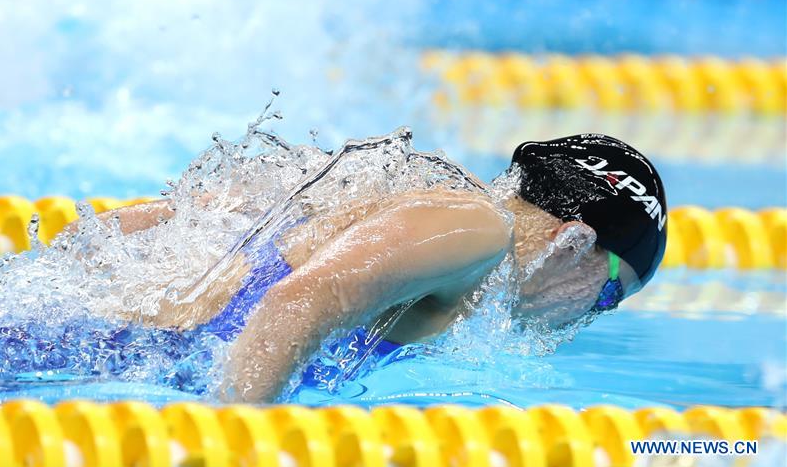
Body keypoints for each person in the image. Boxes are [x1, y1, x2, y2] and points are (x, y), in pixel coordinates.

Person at [92, 133, 667, 402]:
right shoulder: (480, 231)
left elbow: (162, 219)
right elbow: (299, 301)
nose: (591, 317)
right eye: (609, 293)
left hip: (101, 351)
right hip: (105, 362)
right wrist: (240, 441)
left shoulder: (432, 205)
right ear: (572, 242)